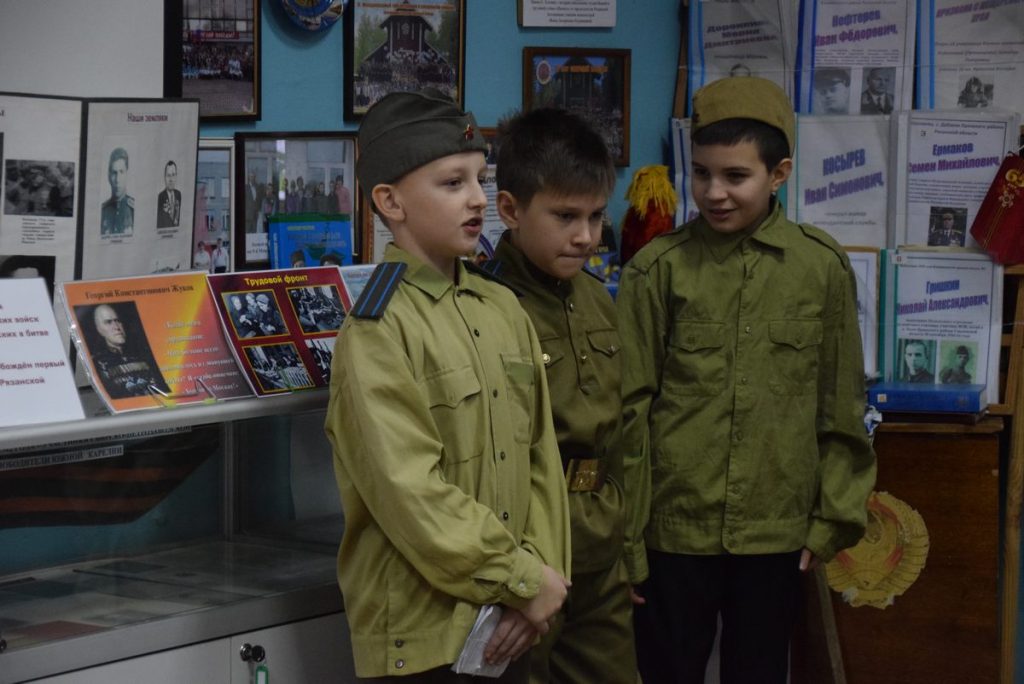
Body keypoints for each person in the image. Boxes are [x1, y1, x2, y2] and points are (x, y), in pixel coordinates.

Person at [617, 76, 876, 683]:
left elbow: (841, 405)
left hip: (776, 533)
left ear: (779, 173)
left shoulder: (821, 267)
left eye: (736, 176)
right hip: (673, 532)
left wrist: (832, 519)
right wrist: (628, 540)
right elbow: (628, 414)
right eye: (702, 173)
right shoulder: (657, 269)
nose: (714, 193)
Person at [323, 89, 571, 682]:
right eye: (453, 183)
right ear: (390, 201)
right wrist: (520, 578)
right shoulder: (378, 329)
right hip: (425, 636)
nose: (479, 199)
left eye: (480, 179)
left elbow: (541, 457)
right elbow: (410, 491)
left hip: (510, 621)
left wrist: (539, 578)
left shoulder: (502, 307)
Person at [486, 107, 636, 684]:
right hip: (530, 541)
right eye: (566, 216)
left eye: (596, 216)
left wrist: (627, 544)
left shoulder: (597, 298)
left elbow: (622, 431)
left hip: (600, 540)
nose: (586, 236)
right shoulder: (487, 306)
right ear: (510, 210)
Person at [89, 303, 168, 398]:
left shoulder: (143, 354)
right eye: (108, 322)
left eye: (118, 321)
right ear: (99, 329)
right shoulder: (96, 363)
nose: (116, 327)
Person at [100, 148, 134, 236]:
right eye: (114, 173)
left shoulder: (134, 209)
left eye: (121, 172)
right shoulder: (102, 211)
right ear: (109, 176)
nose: (118, 179)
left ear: (127, 174)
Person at [157, 160, 182, 228]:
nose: (171, 179)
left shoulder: (179, 195)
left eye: (173, 175)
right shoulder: (160, 197)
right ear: (165, 177)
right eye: (168, 175)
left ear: (176, 176)